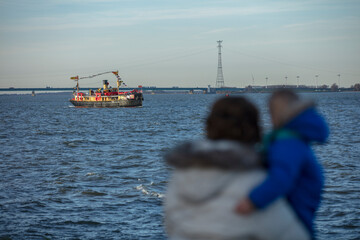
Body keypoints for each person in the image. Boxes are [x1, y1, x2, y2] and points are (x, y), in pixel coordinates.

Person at [164, 97, 310, 240]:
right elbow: (294, 235)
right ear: (255, 130)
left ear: (209, 126)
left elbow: (170, 225)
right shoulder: (256, 182)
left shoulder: (181, 175)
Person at [236, 89, 329, 238]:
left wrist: (251, 201)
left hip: (294, 216)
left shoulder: (288, 142)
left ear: (278, 113)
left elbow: (281, 178)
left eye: (270, 112)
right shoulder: (297, 139)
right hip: (301, 210)